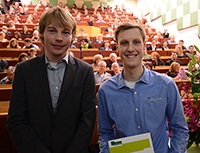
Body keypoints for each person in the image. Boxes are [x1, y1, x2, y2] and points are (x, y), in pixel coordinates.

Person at [6, 6, 96, 153]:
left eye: (65, 32)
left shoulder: (85, 71)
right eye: (52, 31)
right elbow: (16, 121)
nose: (59, 38)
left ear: (72, 37)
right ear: (41, 33)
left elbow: (87, 121)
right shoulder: (23, 70)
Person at [98, 21, 189, 153]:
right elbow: (105, 132)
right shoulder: (106, 90)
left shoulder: (166, 84)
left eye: (136, 42)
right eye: (124, 43)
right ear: (117, 48)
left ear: (144, 47)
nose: (130, 48)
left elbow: (180, 129)